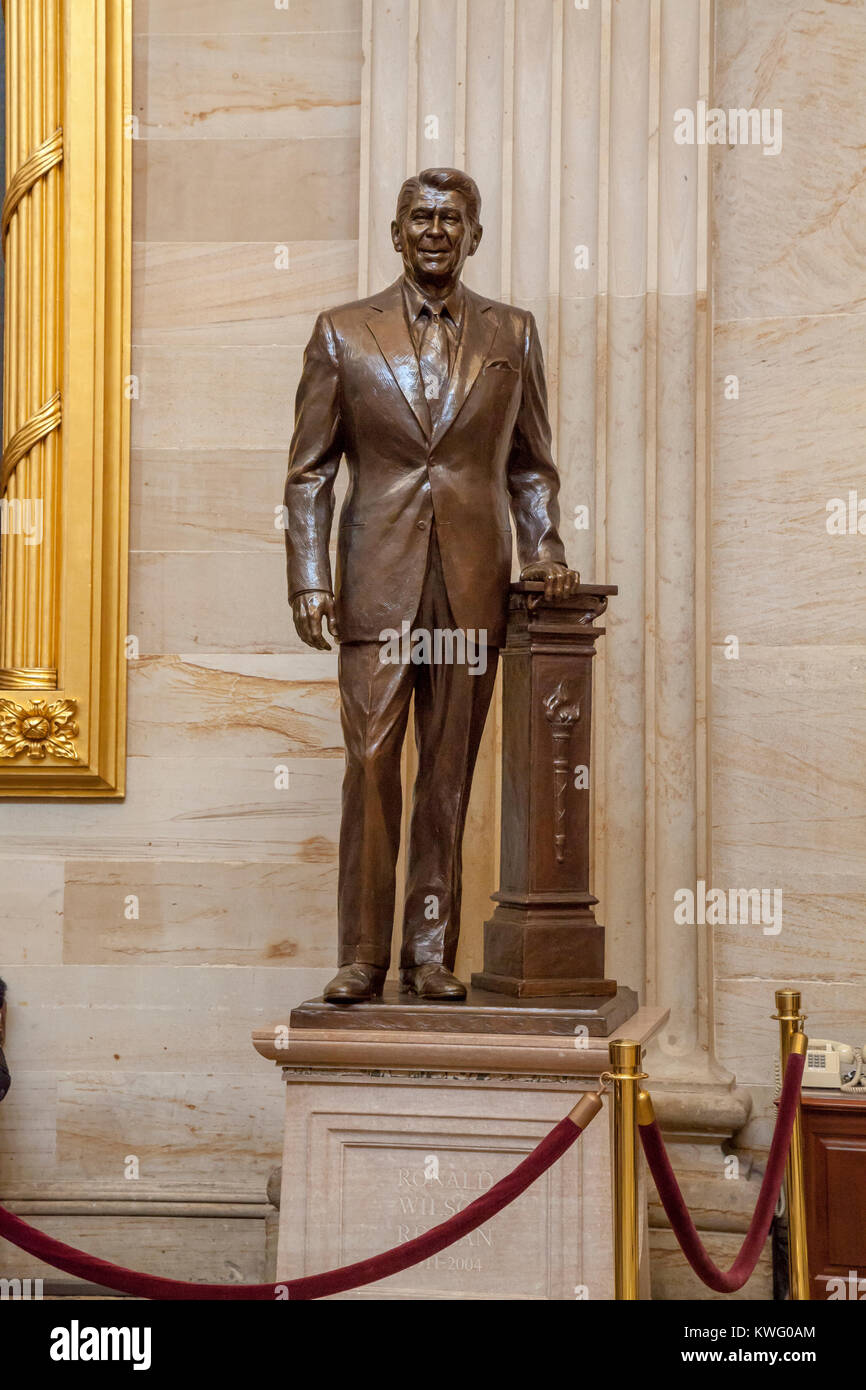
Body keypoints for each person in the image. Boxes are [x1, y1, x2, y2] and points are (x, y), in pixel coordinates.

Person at [284, 167, 579, 1003]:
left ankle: (428, 954)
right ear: (397, 233)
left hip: (469, 588)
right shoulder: (342, 334)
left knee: (447, 774)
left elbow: (531, 466)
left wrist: (544, 550)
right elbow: (309, 473)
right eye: (421, 218)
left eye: (453, 219)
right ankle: (362, 956)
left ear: (475, 235)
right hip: (376, 588)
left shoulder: (511, 334)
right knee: (371, 761)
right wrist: (309, 577)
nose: (436, 231)